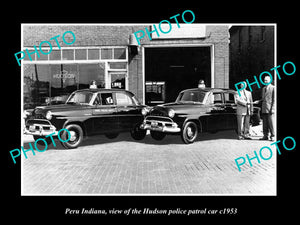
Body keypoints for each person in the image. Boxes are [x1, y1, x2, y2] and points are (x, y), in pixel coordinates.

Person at [254, 75, 275, 141]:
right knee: (265, 123)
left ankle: (273, 136)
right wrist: (258, 101)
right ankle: (265, 135)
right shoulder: (263, 89)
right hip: (264, 108)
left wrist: (273, 109)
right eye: (264, 80)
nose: (265, 81)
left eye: (267, 80)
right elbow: (263, 99)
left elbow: (274, 99)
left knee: (271, 123)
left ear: (270, 81)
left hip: (270, 109)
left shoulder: (273, 88)